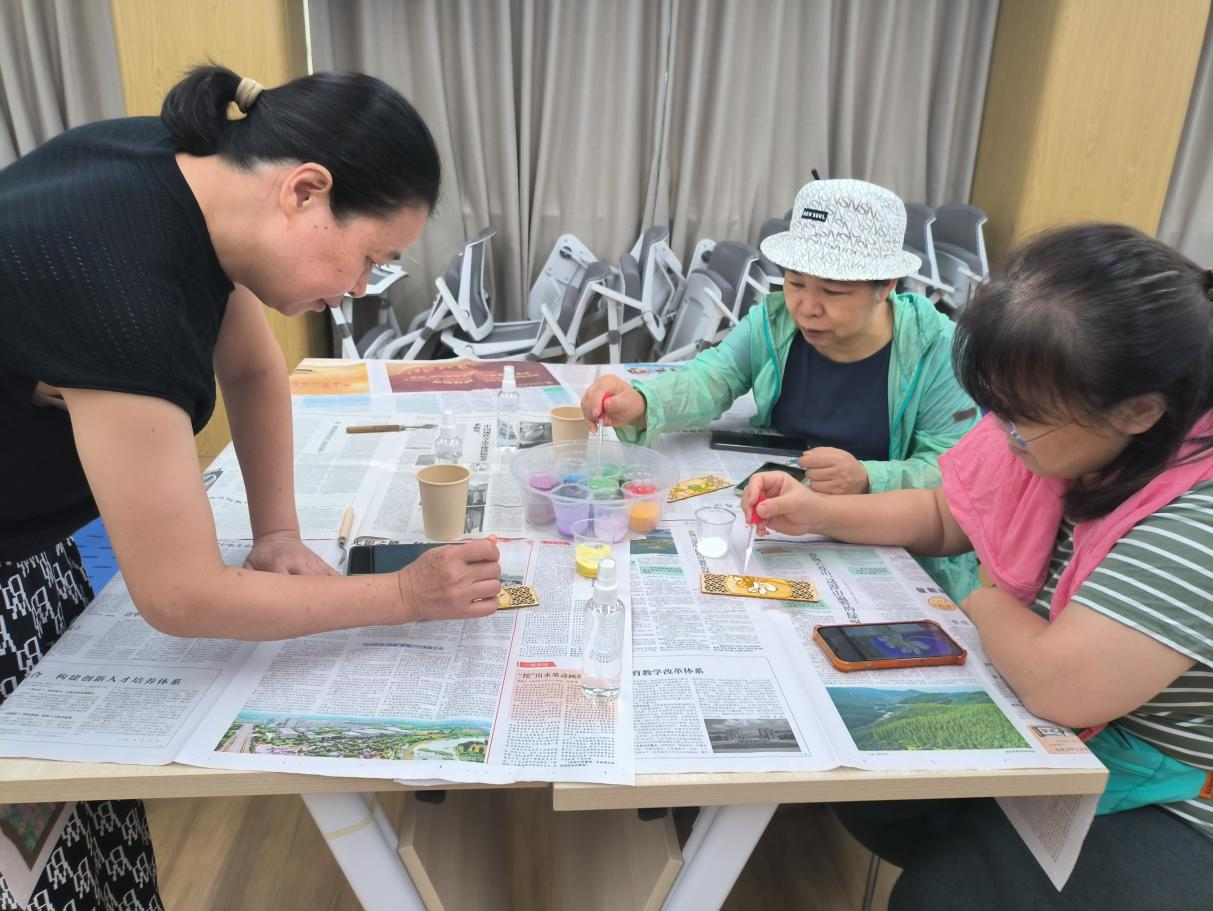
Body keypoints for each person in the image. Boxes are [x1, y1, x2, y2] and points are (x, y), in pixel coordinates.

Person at [0, 65, 501, 908]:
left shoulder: (188, 175)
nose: (356, 290)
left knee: (77, 813)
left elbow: (253, 368)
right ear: (305, 191)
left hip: (29, 536)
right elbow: (182, 596)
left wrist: (277, 533)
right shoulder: (119, 292)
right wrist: (402, 596)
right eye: (370, 260)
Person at [742, 224, 1213, 909]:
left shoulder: (1195, 516)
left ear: (1139, 410)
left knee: (942, 896)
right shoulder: (1062, 435)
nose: (1003, 434)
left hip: (1171, 792)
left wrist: (984, 597)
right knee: (865, 780)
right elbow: (947, 513)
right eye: (999, 410)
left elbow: (1059, 686)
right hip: (1056, 725)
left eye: (1023, 419)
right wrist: (819, 511)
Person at [581, 178, 980, 599]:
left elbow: (954, 474)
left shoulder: (940, 352)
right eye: (794, 282)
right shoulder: (773, 325)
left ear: (887, 285)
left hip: (899, 550)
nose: (806, 308)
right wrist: (643, 401)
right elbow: (711, 377)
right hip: (787, 525)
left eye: (833, 291)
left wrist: (868, 477)